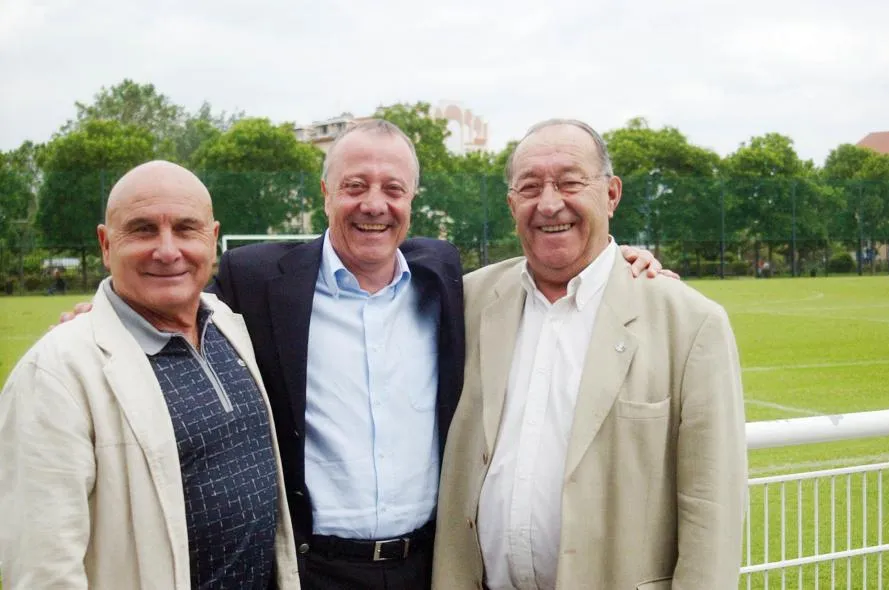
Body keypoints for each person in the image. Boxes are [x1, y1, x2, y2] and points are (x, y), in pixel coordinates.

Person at [55, 121, 667, 589]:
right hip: (312, 570)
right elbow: (171, 293)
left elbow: (555, 266)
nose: (373, 203)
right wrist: (104, 311)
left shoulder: (446, 276)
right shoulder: (256, 278)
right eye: (355, 186)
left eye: (392, 189)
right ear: (325, 193)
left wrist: (623, 261)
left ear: (412, 201)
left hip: (427, 568)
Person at [433, 119, 748, 590]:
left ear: (612, 194)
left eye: (570, 181)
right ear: (511, 203)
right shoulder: (468, 301)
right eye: (530, 186)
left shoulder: (689, 323)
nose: (549, 202)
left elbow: (713, 506)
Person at [0, 161, 299, 590]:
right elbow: (41, 569)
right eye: (142, 230)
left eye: (185, 228)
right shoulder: (55, 374)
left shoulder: (229, 327)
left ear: (212, 240)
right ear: (106, 244)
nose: (166, 250)